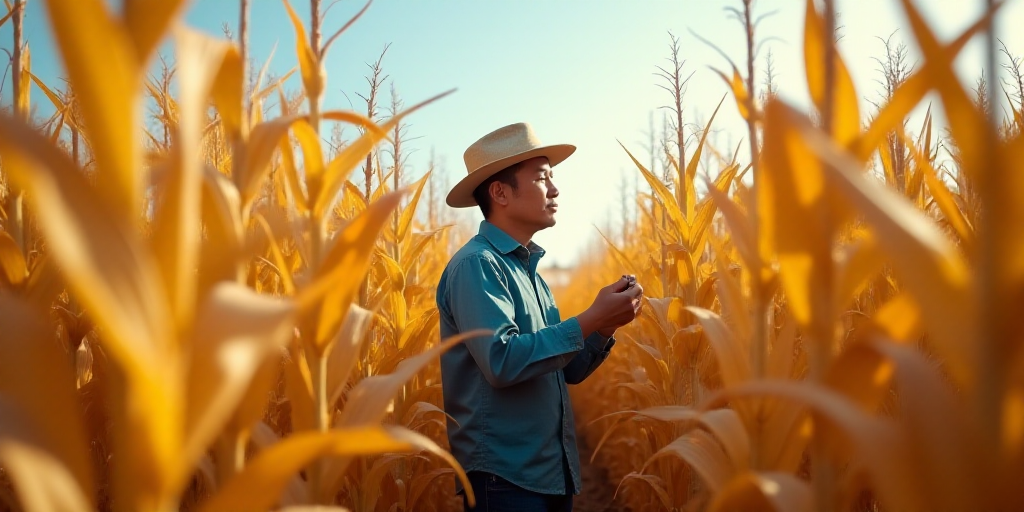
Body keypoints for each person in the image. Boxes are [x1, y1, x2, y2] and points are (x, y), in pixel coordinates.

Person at [436, 122, 643, 512]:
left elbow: (565, 370)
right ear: (500, 192)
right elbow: (502, 361)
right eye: (543, 178)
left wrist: (605, 325)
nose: (555, 189)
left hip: (547, 471)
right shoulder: (477, 265)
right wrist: (590, 316)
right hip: (504, 477)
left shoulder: (531, 274)